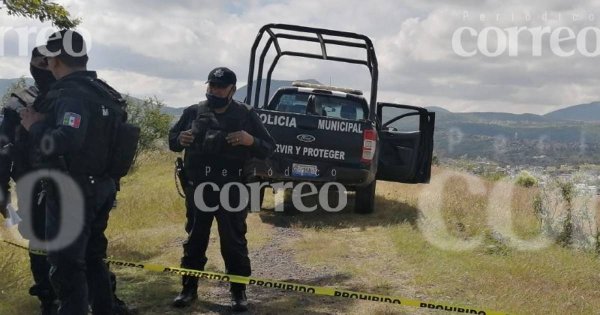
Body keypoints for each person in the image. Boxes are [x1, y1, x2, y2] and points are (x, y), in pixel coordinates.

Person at [19, 30, 129, 315]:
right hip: (102, 186)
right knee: (93, 259)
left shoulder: (71, 94)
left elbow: (66, 140)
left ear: (54, 60)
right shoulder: (105, 92)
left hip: (72, 191)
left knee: (67, 268)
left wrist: (35, 126)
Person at [169, 67, 275, 312]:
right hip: (199, 188)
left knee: (233, 242)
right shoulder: (194, 112)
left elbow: (268, 147)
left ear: (232, 89)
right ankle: (188, 289)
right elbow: (173, 139)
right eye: (211, 86)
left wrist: (251, 140)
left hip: (232, 190)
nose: (214, 91)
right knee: (195, 240)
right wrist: (179, 140)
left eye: (220, 87)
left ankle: (239, 293)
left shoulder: (246, 114)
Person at [0, 47, 58, 315]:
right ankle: (48, 299)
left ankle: (99, 297)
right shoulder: (17, 105)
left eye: (50, 60)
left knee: (84, 244)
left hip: (74, 185)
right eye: (39, 60)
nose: (45, 65)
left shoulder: (73, 99)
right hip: (30, 186)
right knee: (37, 243)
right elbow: (3, 149)